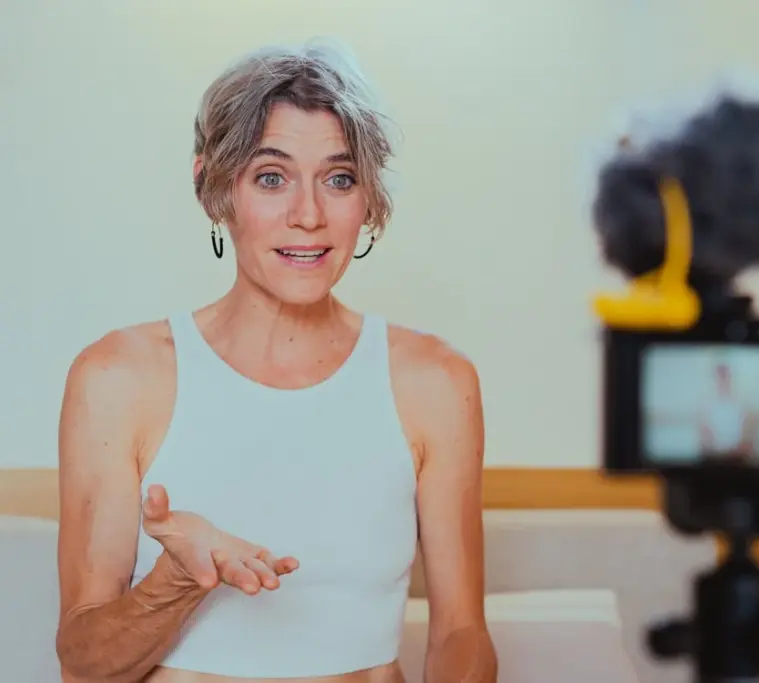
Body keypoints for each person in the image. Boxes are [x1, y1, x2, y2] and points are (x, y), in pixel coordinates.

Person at [54, 40, 496, 683]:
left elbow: (460, 634)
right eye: (271, 177)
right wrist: (176, 582)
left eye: (339, 179)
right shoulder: (116, 379)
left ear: (367, 198)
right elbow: (83, 664)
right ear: (212, 188)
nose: (309, 216)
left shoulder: (436, 383)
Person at [698, 363, 753, 459]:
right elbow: (705, 437)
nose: (723, 381)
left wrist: (739, 449)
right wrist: (713, 450)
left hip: (737, 454)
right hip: (714, 455)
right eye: (720, 378)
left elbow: (747, 434)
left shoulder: (741, 403)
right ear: (715, 380)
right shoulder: (707, 405)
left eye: (726, 377)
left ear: (730, 379)